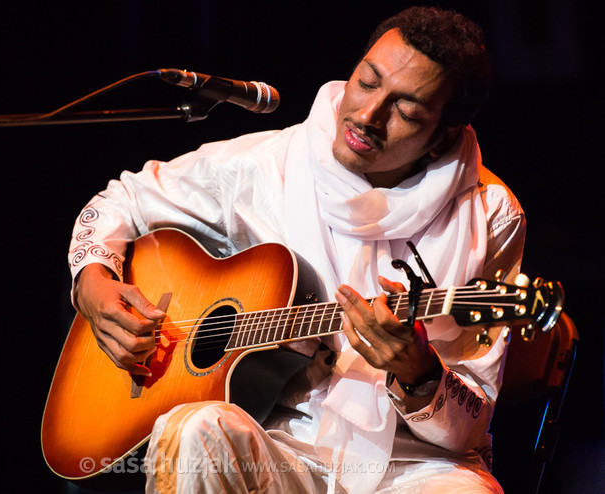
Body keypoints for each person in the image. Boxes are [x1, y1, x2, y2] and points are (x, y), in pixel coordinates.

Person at [69, 6, 525, 493]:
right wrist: (93, 283)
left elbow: (468, 429)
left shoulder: (490, 215)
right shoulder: (266, 165)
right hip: (280, 449)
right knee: (199, 429)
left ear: (443, 137)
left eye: (407, 111)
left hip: (414, 466)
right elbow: (123, 199)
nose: (368, 116)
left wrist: (419, 373)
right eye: (367, 82)